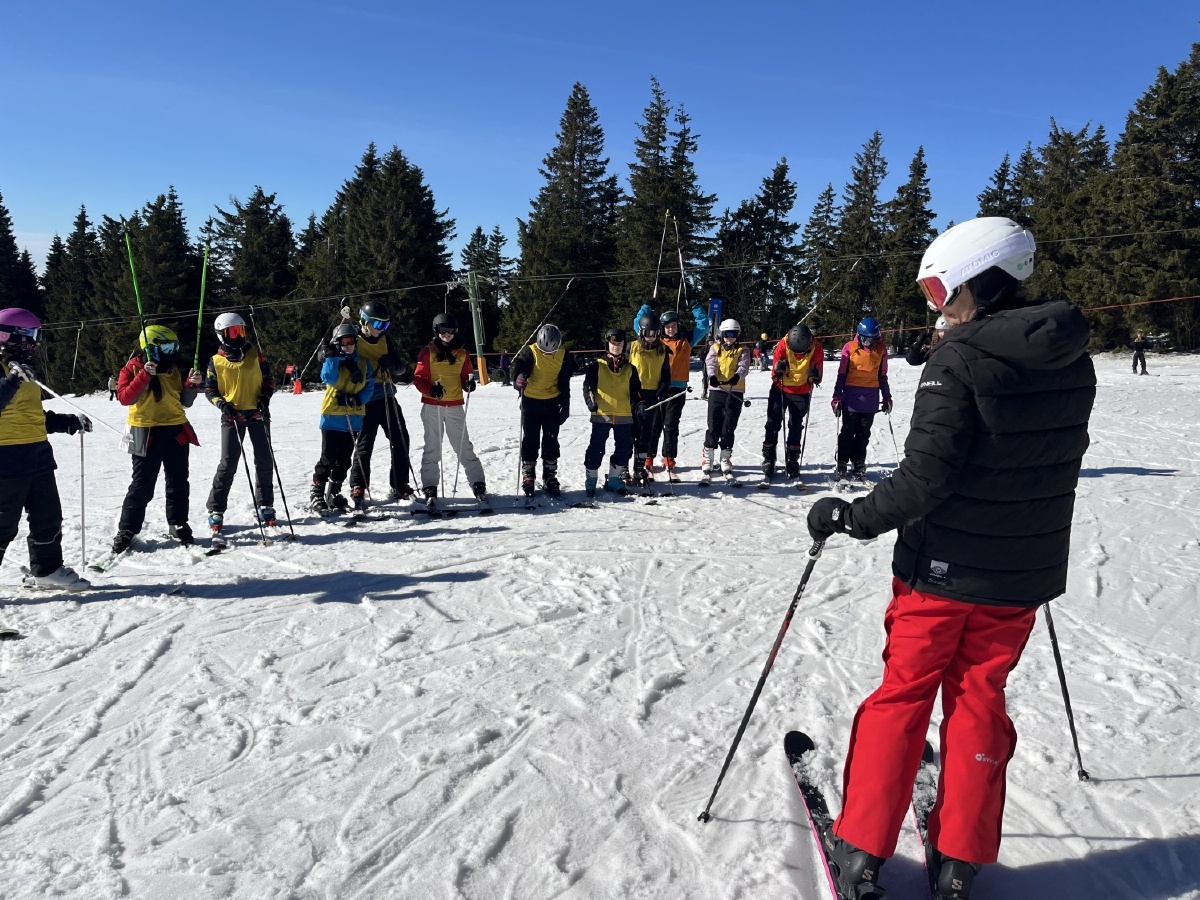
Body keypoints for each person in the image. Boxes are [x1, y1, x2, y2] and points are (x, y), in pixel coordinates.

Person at [805, 216, 1096, 900]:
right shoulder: (1069, 355)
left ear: (979, 284)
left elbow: (925, 478)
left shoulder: (959, 359)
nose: (938, 308)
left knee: (903, 697)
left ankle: (862, 848)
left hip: (941, 573)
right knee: (978, 702)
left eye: (941, 291)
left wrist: (852, 516)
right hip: (1019, 574)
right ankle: (960, 859)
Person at [0, 308, 92, 591]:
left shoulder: (23, 370)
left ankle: (46, 570)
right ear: (5, 336)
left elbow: (32, 414)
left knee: (47, 517)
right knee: (3, 524)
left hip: (38, 453)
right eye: (28, 336)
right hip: (6, 457)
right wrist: (13, 379)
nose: (34, 343)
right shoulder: (11, 372)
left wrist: (66, 422)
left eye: (36, 336)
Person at [113, 325, 203, 552]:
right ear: (151, 348)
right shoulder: (131, 368)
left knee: (178, 482)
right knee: (142, 485)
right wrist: (144, 375)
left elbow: (184, 401)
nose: (172, 352)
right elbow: (125, 398)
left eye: (174, 347)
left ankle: (178, 523)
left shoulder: (173, 370)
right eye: (167, 347)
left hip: (175, 430)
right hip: (144, 431)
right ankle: (128, 530)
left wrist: (191, 385)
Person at [203, 312, 276, 539]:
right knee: (228, 463)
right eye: (233, 332)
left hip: (257, 413)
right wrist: (221, 404)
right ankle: (216, 508)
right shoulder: (216, 361)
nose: (238, 336)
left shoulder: (255, 354)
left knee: (264, 459)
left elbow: (269, 379)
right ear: (222, 335)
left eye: (241, 331)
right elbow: (209, 389)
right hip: (232, 416)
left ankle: (265, 503)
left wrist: (265, 397)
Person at [412, 312, 487, 511]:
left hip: (454, 406)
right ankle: (430, 487)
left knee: (464, 446)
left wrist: (468, 384)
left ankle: (478, 484)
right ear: (436, 331)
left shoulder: (462, 353)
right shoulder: (427, 352)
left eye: (451, 331)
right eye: (443, 331)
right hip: (433, 406)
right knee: (432, 448)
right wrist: (431, 390)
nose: (447, 335)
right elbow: (418, 379)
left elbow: (466, 376)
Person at [350, 300, 414, 506]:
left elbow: (401, 368)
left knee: (401, 439)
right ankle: (358, 485)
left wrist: (392, 364)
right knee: (364, 444)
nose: (382, 329)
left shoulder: (386, 340)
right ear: (364, 322)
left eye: (386, 325)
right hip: (364, 399)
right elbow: (332, 357)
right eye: (378, 324)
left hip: (387, 397)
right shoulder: (353, 338)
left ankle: (399, 483)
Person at [309, 322, 374, 513]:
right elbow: (328, 377)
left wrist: (357, 399)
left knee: (344, 460)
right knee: (328, 457)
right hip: (332, 417)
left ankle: (334, 491)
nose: (348, 346)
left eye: (351, 341)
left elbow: (369, 385)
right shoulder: (333, 360)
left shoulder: (363, 363)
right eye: (344, 342)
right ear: (337, 343)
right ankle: (317, 492)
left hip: (353, 418)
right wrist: (332, 357)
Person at [513, 324, 572, 499]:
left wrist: (565, 405)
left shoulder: (564, 356)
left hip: (552, 403)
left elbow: (564, 383)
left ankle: (550, 476)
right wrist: (519, 379)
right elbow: (519, 371)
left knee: (551, 440)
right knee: (530, 439)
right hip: (531, 402)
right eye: (544, 351)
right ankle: (528, 474)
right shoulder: (529, 352)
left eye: (551, 352)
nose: (547, 354)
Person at [831, 317, 891, 483]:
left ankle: (859, 462)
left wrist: (887, 397)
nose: (867, 343)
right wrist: (837, 396)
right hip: (851, 397)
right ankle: (842, 462)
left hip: (870, 398)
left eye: (871, 339)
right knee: (847, 432)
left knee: (864, 433)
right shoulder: (849, 347)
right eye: (864, 339)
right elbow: (842, 374)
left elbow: (882, 375)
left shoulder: (881, 349)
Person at [581, 328, 641, 496]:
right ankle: (591, 479)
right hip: (602, 414)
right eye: (613, 344)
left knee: (624, 448)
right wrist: (590, 401)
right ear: (607, 344)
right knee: (596, 448)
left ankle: (614, 479)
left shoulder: (630, 368)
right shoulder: (597, 366)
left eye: (619, 344)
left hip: (624, 416)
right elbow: (588, 387)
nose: (616, 347)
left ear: (624, 345)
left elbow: (636, 392)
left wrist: (640, 404)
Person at [761, 323, 823, 480]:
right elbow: (774, 372)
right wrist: (778, 370)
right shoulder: (783, 344)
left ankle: (793, 459)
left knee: (796, 425)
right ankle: (769, 458)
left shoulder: (816, 347)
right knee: (772, 423)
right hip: (780, 388)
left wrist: (815, 376)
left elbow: (818, 371)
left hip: (801, 391)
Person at [658, 306, 708, 481]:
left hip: (677, 389)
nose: (671, 329)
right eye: (667, 326)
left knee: (671, 425)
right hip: (657, 388)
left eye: (673, 325)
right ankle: (647, 459)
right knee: (653, 426)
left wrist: (695, 307)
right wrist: (646, 308)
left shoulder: (686, 340)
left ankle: (669, 459)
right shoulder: (656, 340)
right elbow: (639, 326)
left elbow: (704, 325)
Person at [702, 319, 751, 479]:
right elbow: (710, 363)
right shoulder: (715, 348)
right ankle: (708, 456)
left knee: (729, 425)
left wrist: (738, 376)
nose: (730, 338)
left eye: (734, 334)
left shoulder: (743, 350)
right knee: (713, 424)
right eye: (727, 334)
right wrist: (712, 376)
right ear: (721, 334)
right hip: (717, 390)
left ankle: (725, 457)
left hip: (734, 391)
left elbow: (744, 365)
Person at [628, 310, 671, 485]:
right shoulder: (632, 347)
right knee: (630, 432)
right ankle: (623, 468)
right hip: (632, 394)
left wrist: (664, 386)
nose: (651, 337)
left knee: (646, 434)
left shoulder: (663, 350)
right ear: (641, 332)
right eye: (648, 333)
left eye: (654, 333)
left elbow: (666, 373)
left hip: (652, 395)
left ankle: (640, 467)